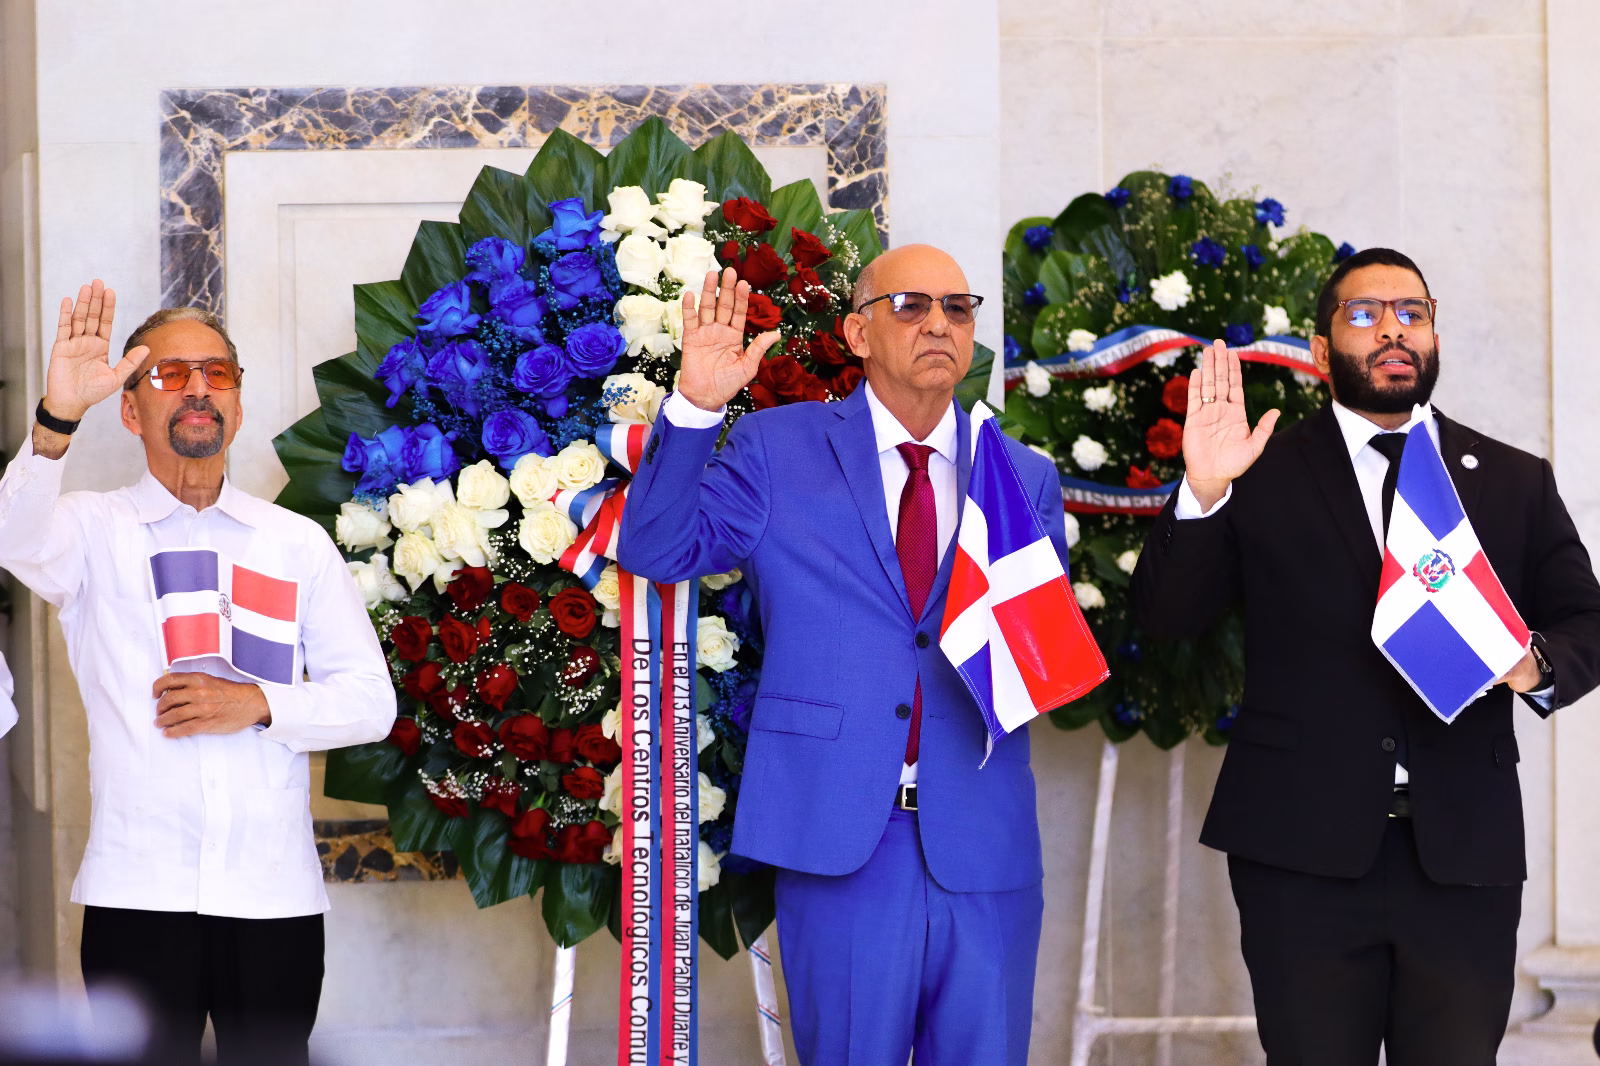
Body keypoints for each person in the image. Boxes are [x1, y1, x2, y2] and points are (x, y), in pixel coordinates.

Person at [1130, 247, 1600, 1066]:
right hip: (1299, 852)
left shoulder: (1511, 480)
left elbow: (1585, 621)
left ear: (1434, 338)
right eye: (1364, 313)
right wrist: (1203, 493)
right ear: (1321, 350)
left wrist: (1534, 664)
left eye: (1412, 313)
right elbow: (1168, 621)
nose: (1393, 329)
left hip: (1464, 851)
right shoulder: (1259, 472)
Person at [618, 248, 1064, 1065]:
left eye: (958, 308)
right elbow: (656, 547)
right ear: (857, 333)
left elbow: (1036, 655)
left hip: (984, 840)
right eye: (911, 305)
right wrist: (695, 408)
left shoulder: (1021, 476)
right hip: (841, 837)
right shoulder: (777, 448)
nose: (939, 323)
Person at [0, 282, 397, 1065]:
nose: (196, 389)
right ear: (130, 409)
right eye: (170, 374)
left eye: (216, 373)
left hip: (273, 893)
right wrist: (56, 419)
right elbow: (13, 538)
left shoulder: (296, 544)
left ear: (237, 406)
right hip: (136, 890)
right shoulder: (91, 528)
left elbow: (370, 702)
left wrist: (255, 703)